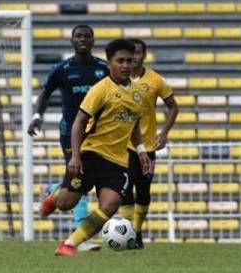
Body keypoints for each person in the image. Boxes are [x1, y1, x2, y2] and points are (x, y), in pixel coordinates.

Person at [39, 39, 153, 257]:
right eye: (120, 61)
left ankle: (69, 244)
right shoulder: (100, 89)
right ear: (109, 63)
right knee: (66, 203)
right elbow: (79, 122)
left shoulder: (138, 93)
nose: (126, 65)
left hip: (118, 161)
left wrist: (141, 151)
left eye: (129, 61)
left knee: (111, 204)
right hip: (91, 154)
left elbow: (134, 124)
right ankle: (53, 197)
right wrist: (75, 156)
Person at [27, 24, 108, 252]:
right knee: (79, 180)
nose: (83, 39)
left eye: (87, 36)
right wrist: (37, 117)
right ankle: (81, 236)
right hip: (70, 134)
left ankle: (53, 191)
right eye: (79, 36)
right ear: (72, 40)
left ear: (93, 40)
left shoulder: (103, 68)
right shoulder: (62, 69)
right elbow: (45, 93)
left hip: (98, 134)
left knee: (83, 182)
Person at [118, 38, 178, 249]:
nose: (134, 57)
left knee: (143, 192)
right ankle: (128, 235)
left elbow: (173, 107)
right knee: (125, 192)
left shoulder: (155, 80)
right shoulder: (116, 79)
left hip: (148, 146)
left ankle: (137, 231)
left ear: (144, 55)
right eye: (130, 53)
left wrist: (164, 133)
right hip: (123, 146)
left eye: (138, 53)